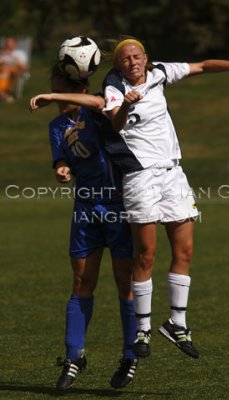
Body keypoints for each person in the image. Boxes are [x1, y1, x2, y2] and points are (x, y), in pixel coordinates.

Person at [101, 36, 229, 359]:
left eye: (136, 56)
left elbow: (201, 66)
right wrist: (127, 104)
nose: (132, 62)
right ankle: (142, 329)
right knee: (145, 254)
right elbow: (116, 124)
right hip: (140, 175)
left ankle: (177, 322)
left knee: (184, 249)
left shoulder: (159, 72)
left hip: (173, 173)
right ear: (118, 65)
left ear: (145, 57)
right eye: (125, 59)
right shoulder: (113, 87)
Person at [29, 64, 138, 390]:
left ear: (74, 84)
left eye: (57, 84)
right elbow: (61, 158)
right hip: (86, 208)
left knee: (124, 283)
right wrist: (61, 169)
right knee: (81, 281)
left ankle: (130, 355)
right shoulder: (56, 126)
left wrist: (54, 94)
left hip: (118, 204)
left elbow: (100, 104)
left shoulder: (97, 108)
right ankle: (74, 355)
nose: (54, 90)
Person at [0, 37, 28, 102]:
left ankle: (2, 93)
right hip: (2, 71)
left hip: (14, 71)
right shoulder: (2, 54)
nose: (8, 45)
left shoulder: (19, 53)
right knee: (4, 71)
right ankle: (3, 95)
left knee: (5, 72)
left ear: (14, 44)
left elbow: (24, 67)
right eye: (7, 44)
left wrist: (11, 55)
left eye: (10, 43)